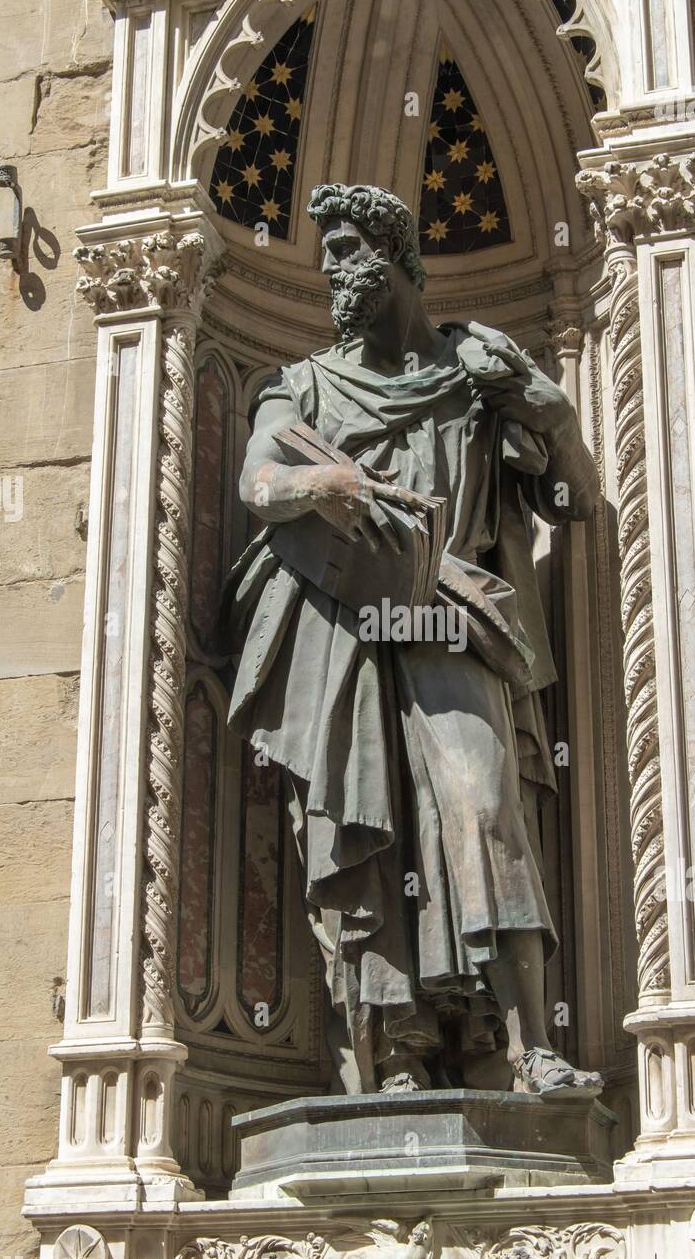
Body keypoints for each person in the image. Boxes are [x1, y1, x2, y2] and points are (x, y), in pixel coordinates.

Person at [225, 183, 600, 1095]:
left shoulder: (475, 373)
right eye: (327, 254)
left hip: (446, 613)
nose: (332, 271)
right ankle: (389, 1057)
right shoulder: (303, 385)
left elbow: (575, 500)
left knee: (481, 805)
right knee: (358, 833)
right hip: (341, 622)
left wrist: (548, 410)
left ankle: (527, 1046)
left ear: (397, 259)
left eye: (349, 249)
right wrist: (323, 490)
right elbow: (258, 478)